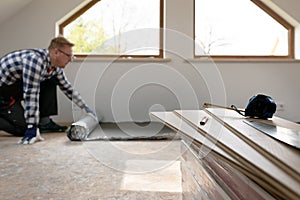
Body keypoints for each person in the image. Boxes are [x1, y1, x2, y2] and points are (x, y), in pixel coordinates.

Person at [0, 36, 95, 144]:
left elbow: (68, 89)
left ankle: (44, 122)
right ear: (56, 52)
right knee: (23, 129)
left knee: (50, 80)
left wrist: (86, 108)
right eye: (68, 56)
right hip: (3, 95)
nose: (70, 59)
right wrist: (32, 128)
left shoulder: (55, 67)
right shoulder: (35, 61)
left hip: (16, 89)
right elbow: (31, 94)